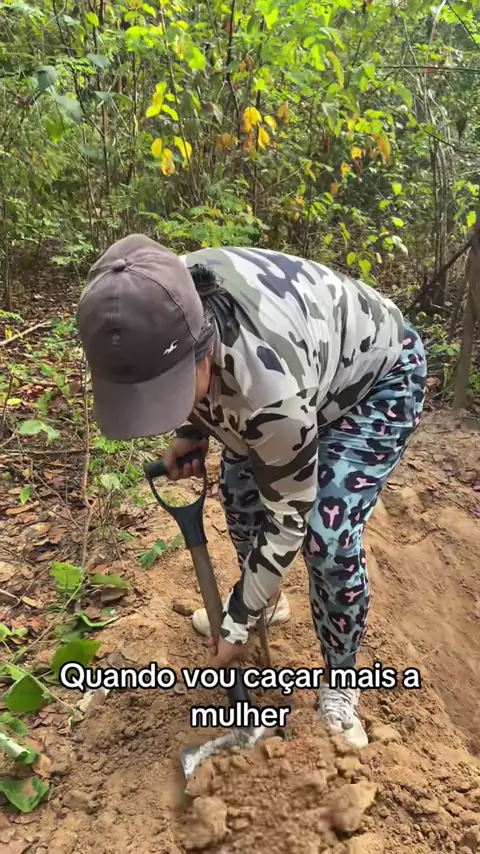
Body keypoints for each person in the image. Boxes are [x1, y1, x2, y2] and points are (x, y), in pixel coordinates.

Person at [76, 233, 427, 748]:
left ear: (205, 350)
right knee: (240, 496)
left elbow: (288, 516)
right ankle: (264, 602)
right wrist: (192, 429)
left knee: (326, 536)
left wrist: (235, 622)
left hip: (375, 380)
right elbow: (192, 383)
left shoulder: (269, 393)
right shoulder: (148, 301)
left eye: (168, 393)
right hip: (292, 374)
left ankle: (340, 679)